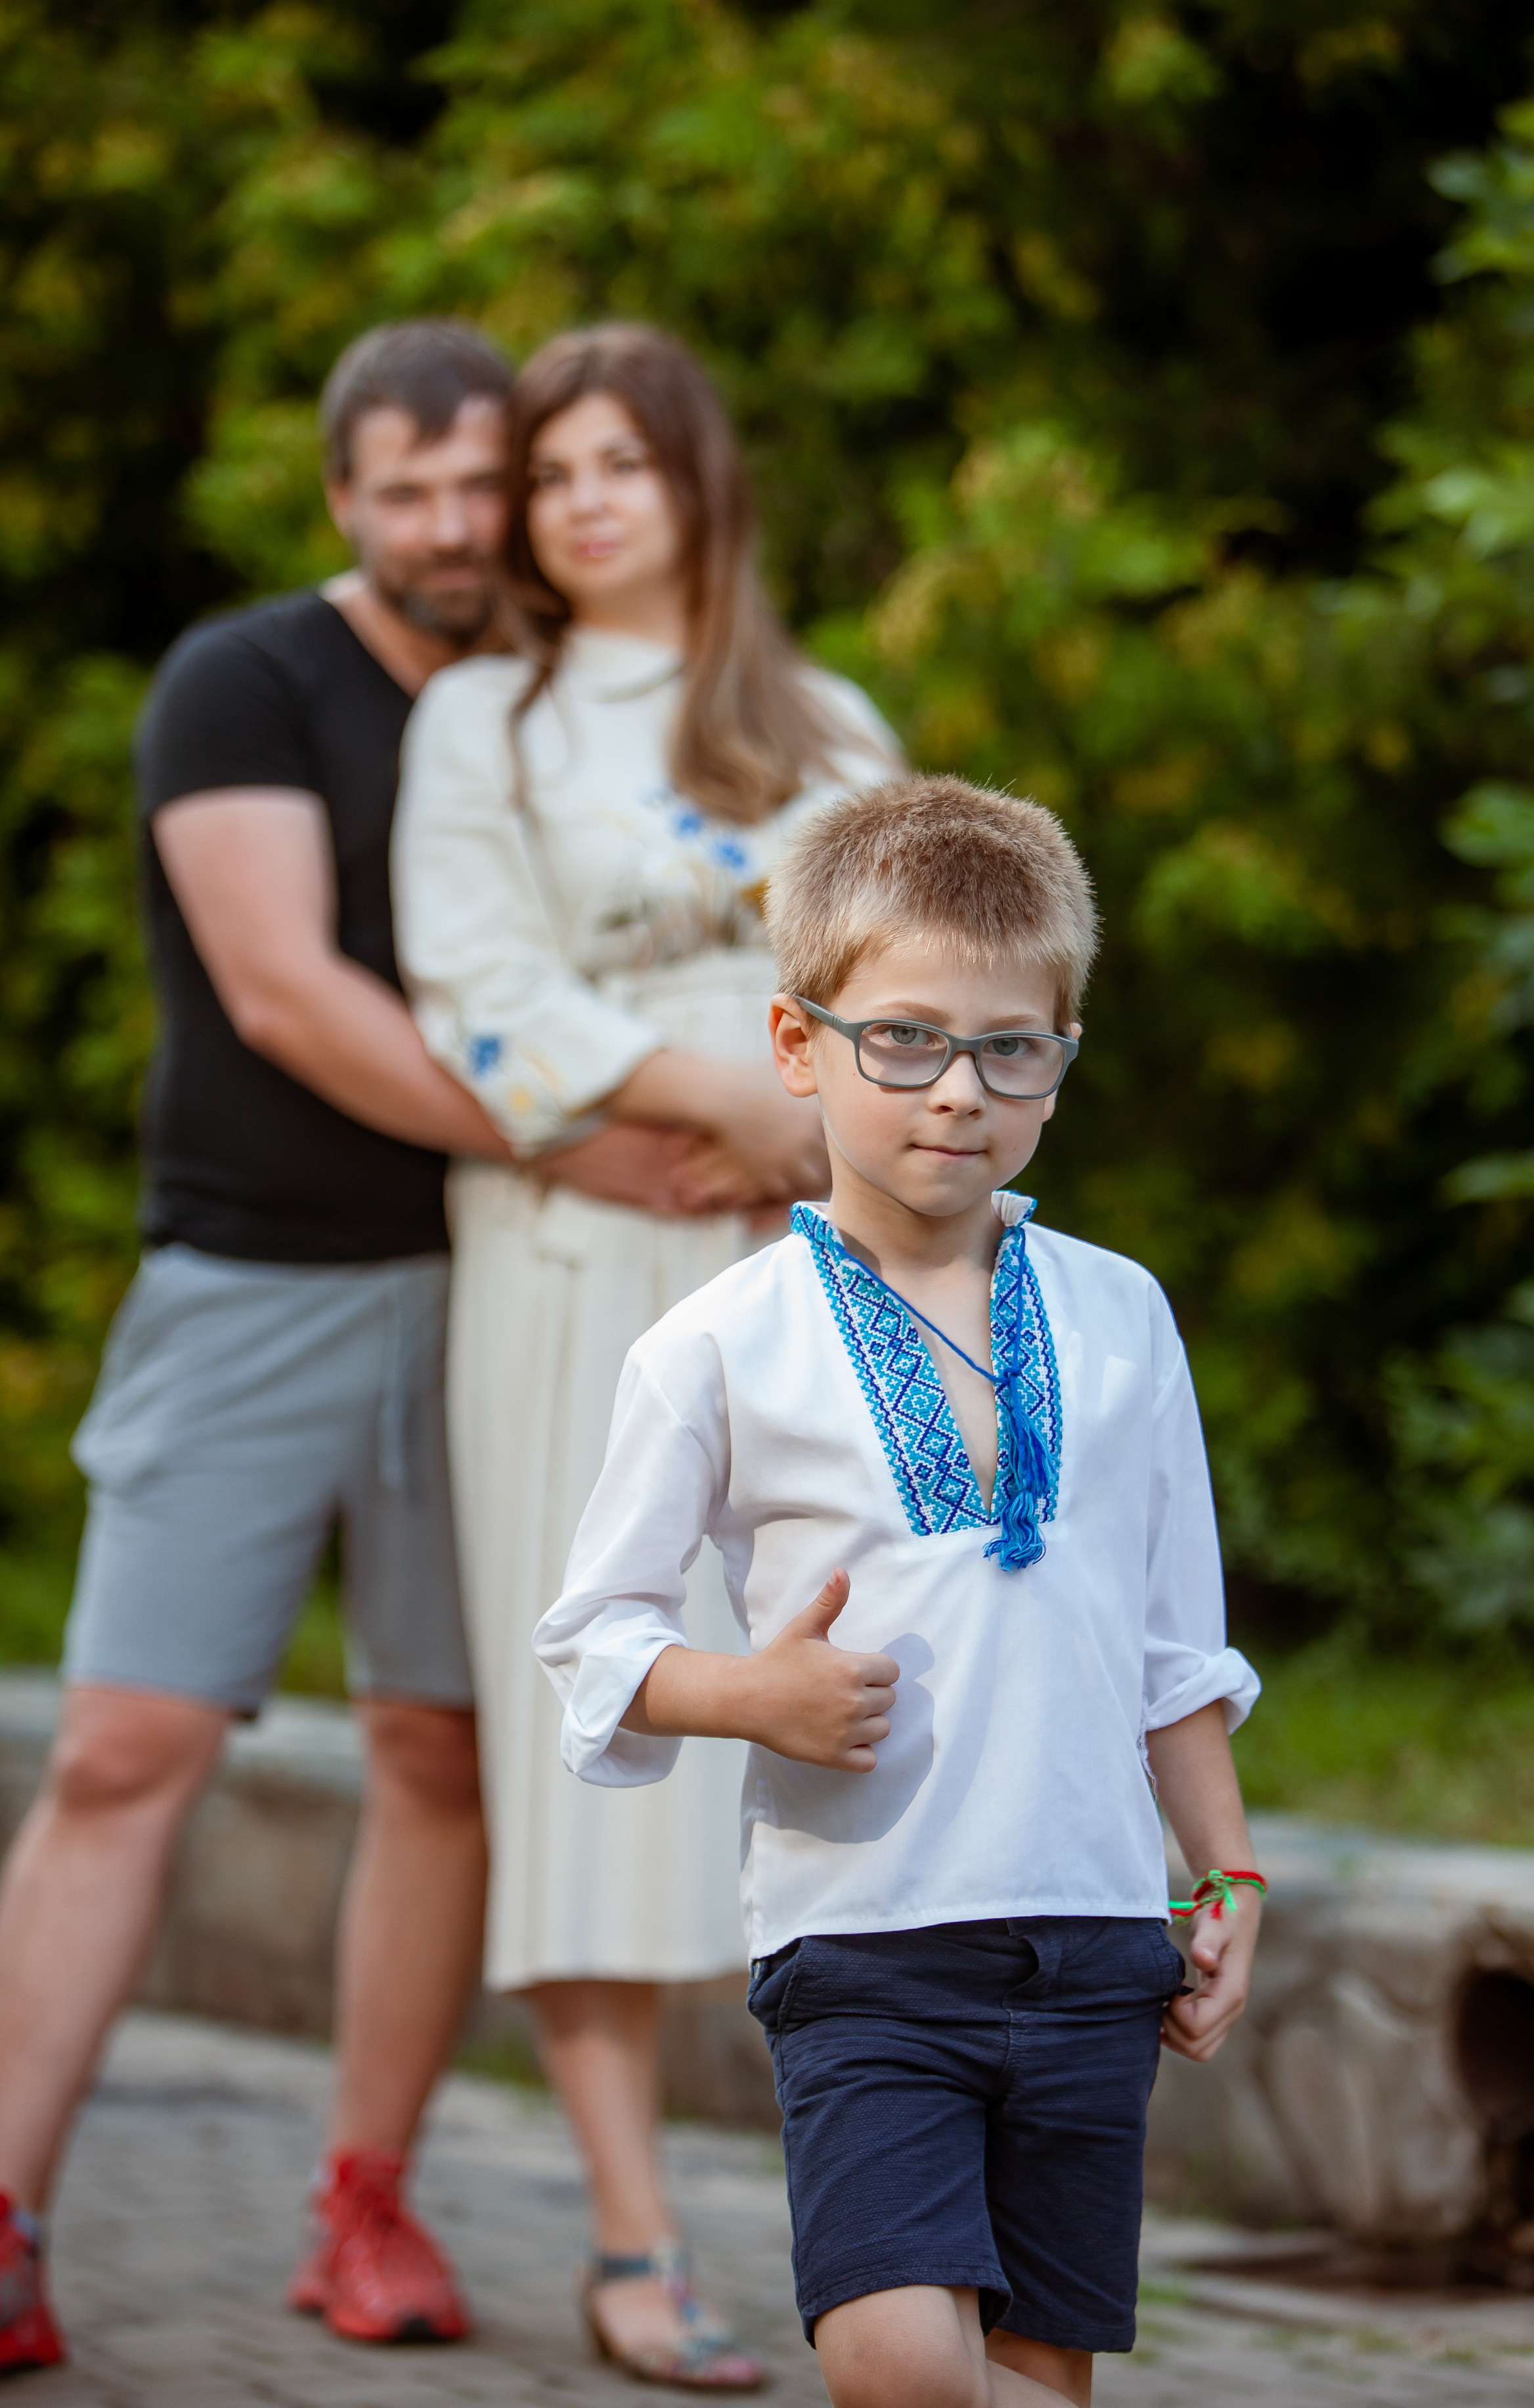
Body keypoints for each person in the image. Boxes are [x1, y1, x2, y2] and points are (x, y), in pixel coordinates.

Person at [0, 317, 686, 2376]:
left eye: (486, 485)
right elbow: (288, 996)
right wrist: (589, 1135)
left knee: (442, 1753)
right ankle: (9, 2209)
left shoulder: (563, 705)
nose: (457, 526)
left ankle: (361, 2210)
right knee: (133, 1744)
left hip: (502, 1288)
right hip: (256, 1281)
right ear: (342, 496)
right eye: (410, 490)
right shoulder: (244, 681)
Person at [533, 776, 1266, 2408]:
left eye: (1013, 1048)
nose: (959, 1091)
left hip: (1090, 1939)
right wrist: (745, 1696)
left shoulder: (1123, 1316)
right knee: (898, 2366)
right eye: (906, 1041)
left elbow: (1171, 1645)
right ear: (798, 1045)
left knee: (1035, 2377)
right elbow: (593, 1639)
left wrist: (1224, 1875)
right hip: (863, 1947)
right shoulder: (717, 1344)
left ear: (1061, 1057)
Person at [391, 321, 898, 2389]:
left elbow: (913, 970)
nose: (584, 499)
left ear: (698, 482)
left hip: (816, 1279)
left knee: (849, 1711)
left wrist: (819, 1132)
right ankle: (629, 2239)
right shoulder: (486, 726)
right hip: (579, 1262)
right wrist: (725, 1100)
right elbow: (478, 1000)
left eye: (625, 461)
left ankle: (881, 2226)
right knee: (605, 1731)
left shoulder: (826, 721)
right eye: (554, 471)